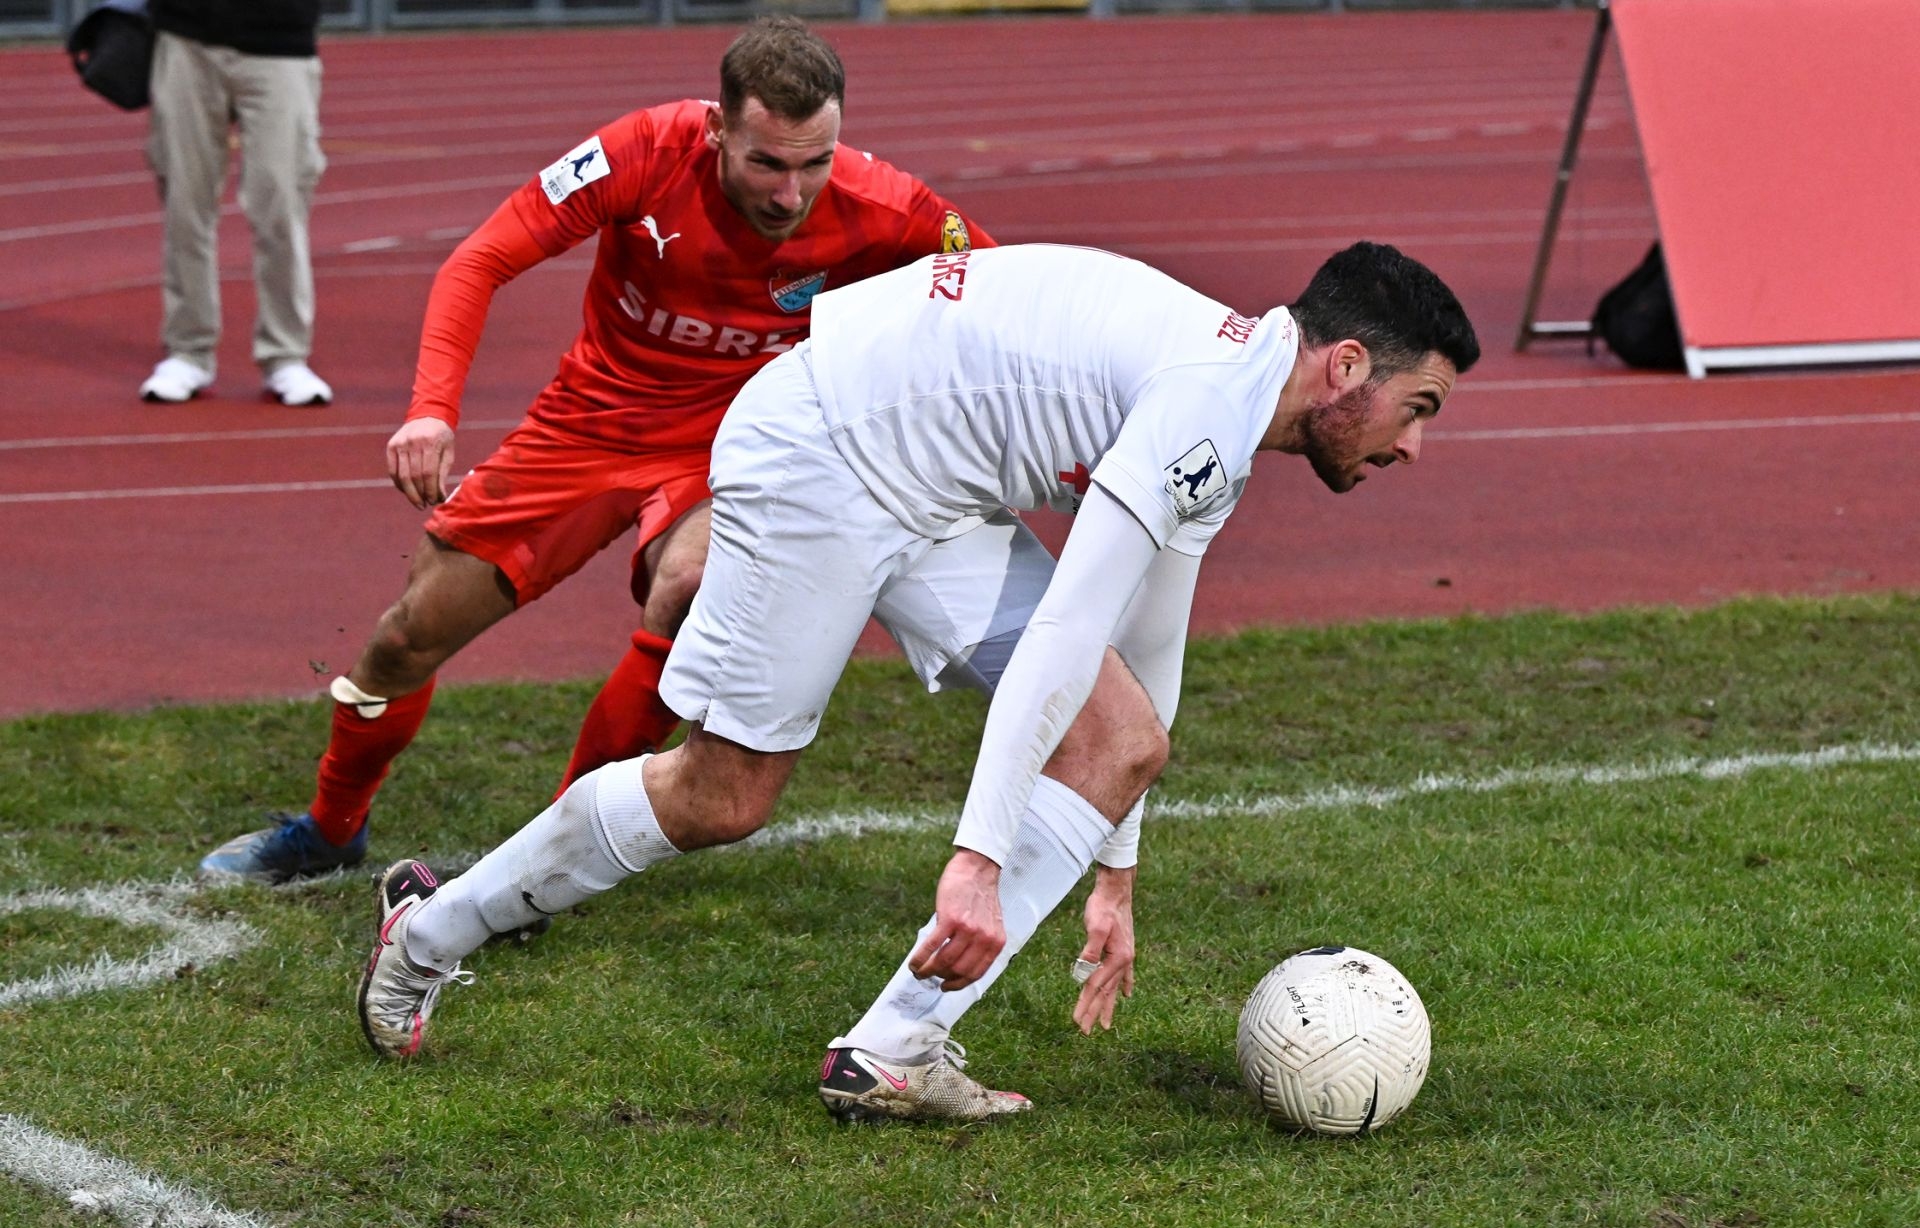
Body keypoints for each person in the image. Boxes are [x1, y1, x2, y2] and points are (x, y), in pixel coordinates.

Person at [354, 240, 1481, 1121]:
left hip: (930, 490)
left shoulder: (1239, 409)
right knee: (720, 795)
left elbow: (1146, 647)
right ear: (1345, 368)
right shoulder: (1208, 396)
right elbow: (1063, 636)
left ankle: (890, 1051)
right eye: (1414, 408)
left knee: (1124, 735)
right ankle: (427, 933)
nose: (1411, 448)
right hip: (828, 451)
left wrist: (1116, 875)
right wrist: (977, 861)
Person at [199, 17, 992, 883]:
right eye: (767, 163)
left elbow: (1007, 297)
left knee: (685, 586)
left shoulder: (889, 205)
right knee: (403, 641)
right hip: (587, 425)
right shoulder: (640, 151)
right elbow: (480, 259)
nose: (790, 193)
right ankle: (330, 828)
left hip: (735, 444)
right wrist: (431, 411)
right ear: (717, 127)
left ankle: (550, 861)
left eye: (815, 162)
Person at [139, 0, 332, 407]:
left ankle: (286, 354)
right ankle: (188, 350)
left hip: (281, 42)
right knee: (185, 205)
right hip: (186, 37)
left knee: (281, 206)